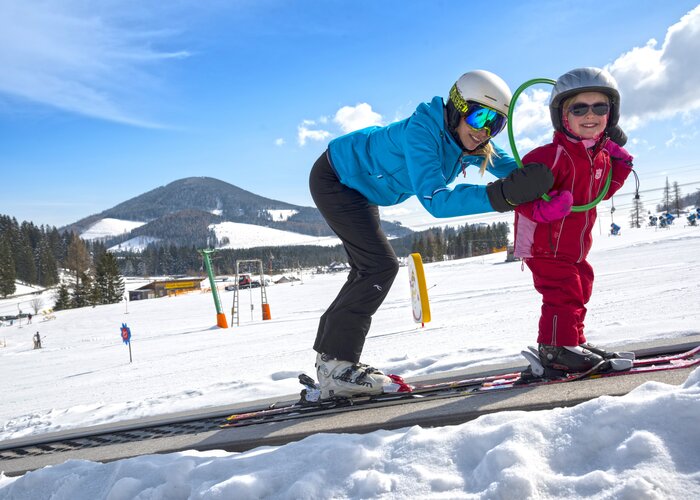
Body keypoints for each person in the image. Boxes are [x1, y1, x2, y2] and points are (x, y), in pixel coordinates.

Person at [309, 70, 554, 398]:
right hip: (337, 178)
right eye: (479, 116)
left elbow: (519, 174)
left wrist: (557, 179)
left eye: (495, 124)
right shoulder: (422, 131)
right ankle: (336, 364)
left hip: (361, 188)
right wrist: (502, 195)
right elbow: (435, 201)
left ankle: (332, 361)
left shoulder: (470, 138)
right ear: (456, 107)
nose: (484, 130)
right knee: (379, 266)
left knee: (371, 267)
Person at [513, 67, 634, 374]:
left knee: (581, 286)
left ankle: (572, 341)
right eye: (579, 108)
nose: (589, 115)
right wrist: (543, 209)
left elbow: (601, 193)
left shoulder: (600, 156)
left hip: (574, 247)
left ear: (611, 114)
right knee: (563, 290)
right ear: (562, 116)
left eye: (599, 107)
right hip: (545, 245)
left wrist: (619, 165)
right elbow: (518, 195)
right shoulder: (550, 156)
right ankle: (555, 348)